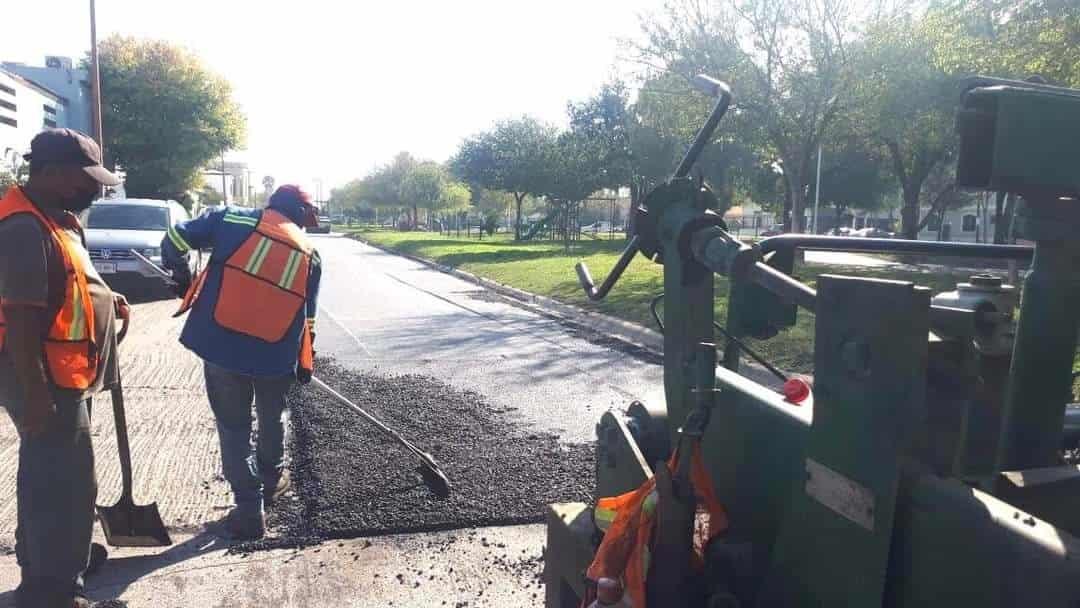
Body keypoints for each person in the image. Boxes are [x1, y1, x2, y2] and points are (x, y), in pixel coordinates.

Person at [0, 129, 124, 608]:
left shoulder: (52, 219)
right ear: (51, 173)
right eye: (84, 178)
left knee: (47, 472)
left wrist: (106, 303)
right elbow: (22, 316)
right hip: (42, 377)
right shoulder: (22, 229)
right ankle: (53, 592)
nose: (93, 187)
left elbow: (62, 287)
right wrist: (35, 394)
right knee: (65, 483)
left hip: (60, 373)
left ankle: (50, 565)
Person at [161, 185, 322, 540]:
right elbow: (307, 318)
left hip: (222, 346)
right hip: (276, 355)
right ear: (299, 215)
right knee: (272, 417)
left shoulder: (230, 218)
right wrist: (305, 363)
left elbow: (174, 237)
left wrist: (180, 275)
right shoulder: (310, 255)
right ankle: (270, 481)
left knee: (233, 427)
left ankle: (250, 509)